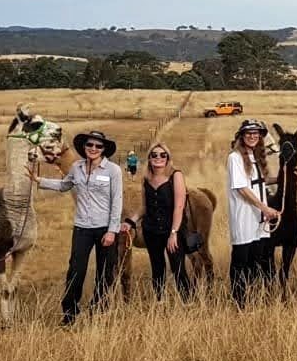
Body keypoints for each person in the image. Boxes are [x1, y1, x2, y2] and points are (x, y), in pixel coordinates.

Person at [38, 129, 124, 325]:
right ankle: (70, 313)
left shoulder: (113, 170)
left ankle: (99, 310)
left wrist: (112, 230)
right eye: (90, 144)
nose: (93, 148)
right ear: (84, 147)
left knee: (105, 273)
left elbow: (117, 201)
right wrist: (39, 181)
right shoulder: (76, 167)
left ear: (104, 149)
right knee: (76, 271)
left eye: (98, 146)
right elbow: (64, 185)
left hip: (105, 229)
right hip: (82, 228)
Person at [228, 119, 281, 307]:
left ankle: (251, 297)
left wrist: (284, 177)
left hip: (259, 218)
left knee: (256, 259)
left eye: (256, 133)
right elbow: (242, 188)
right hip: (244, 217)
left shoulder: (256, 157)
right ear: (242, 136)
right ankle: (239, 301)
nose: (252, 136)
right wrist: (265, 208)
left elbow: (261, 182)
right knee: (241, 260)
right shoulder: (235, 158)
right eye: (248, 133)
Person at [135, 143, 191, 301]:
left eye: (162, 155)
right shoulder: (146, 179)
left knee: (178, 268)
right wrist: (130, 221)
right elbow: (144, 207)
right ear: (149, 158)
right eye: (154, 155)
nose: (158, 158)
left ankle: (188, 303)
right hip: (151, 231)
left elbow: (179, 207)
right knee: (157, 268)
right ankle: (159, 302)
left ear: (168, 158)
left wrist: (173, 233)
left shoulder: (176, 176)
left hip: (171, 229)